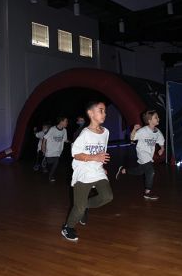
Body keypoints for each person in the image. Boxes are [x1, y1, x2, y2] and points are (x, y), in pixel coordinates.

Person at [61, 101, 113, 242]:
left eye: (105, 111)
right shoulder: (84, 134)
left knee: (107, 196)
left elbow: (101, 151)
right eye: (101, 110)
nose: (104, 113)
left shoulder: (106, 132)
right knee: (79, 207)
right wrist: (95, 157)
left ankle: (84, 207)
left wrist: (101, 165)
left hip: (97, 170)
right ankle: (68, 227)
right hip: (83, 172)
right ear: (91, 113)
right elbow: (75, 154)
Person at [116, 110, 165, 200]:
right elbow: (132, 138)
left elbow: (161, 141)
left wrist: (162, 148)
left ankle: (124, 170)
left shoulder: (157, 132)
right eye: (156, 117)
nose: (158, 118)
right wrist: (134, 129)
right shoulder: (143, 131)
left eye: (158, 117)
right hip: (142, 153)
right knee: (151, 171)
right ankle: (147, 192)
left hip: (149, 155)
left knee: (140, 171)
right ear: (149, 120)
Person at [42, 116, 68, 182]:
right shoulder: (52, 129)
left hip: (58, 151)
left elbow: (65, 140)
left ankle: (51, 176)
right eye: (66, 121)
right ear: (61, 122)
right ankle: (45, 160)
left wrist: (73, 142)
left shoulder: (64, 130)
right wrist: (43, 146)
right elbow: (45, 138)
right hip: (50, 150)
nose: (67, 123)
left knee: (56, 163)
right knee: (49, 162)